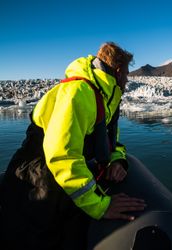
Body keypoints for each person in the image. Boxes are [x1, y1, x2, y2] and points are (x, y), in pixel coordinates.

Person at [0, 42, 146, 249]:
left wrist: (117, 160)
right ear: (119, 71)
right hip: (38, 180)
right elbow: (62, 155)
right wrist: (100, 206)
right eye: (128, 74)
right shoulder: (78, 92)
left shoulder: (104, 98)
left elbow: (111, 142)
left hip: (62, 179)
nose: (128, 79)